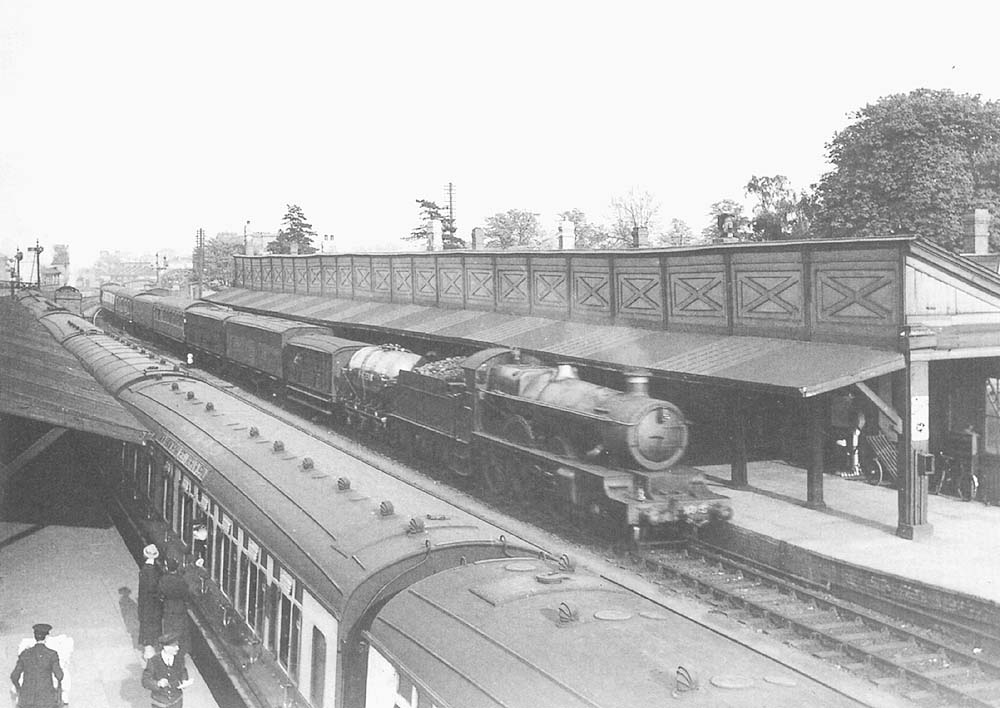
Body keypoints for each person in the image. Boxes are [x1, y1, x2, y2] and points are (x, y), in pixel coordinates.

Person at [9, 623, 63, 708]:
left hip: (26, 700)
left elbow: (14, 676)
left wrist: (20, 690)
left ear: (35, 636)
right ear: (46, 637)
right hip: (46, 701)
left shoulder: (25, 654)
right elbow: (59, 676)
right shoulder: (52, 654)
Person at [141, 633, 193, 708]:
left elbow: (183, 672)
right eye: (174, 646)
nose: (177, 648)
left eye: (177, 645)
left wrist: (184, 680)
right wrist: (158, 683)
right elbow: (145, 681)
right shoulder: (153, 661)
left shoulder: (180, 659)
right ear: (165, 647)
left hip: (176, 701)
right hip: (159, 703)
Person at [157, 557, 191, 655]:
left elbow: (159, 594)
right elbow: (186, 594)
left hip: (168, 608)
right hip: (180, 608)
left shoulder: (163, 579)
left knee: (169, 629)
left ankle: (170, 649)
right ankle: (180, 650)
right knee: (180, 630)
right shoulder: (181, 580)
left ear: (167, 567)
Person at [138, 544, 163, 661]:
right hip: (152, 604)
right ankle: (149, 652)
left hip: (145, 603)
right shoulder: (153, 571)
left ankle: (148, 651)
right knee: (151, 627)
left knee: (146, 625)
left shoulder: (144, 570)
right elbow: (153, 588)